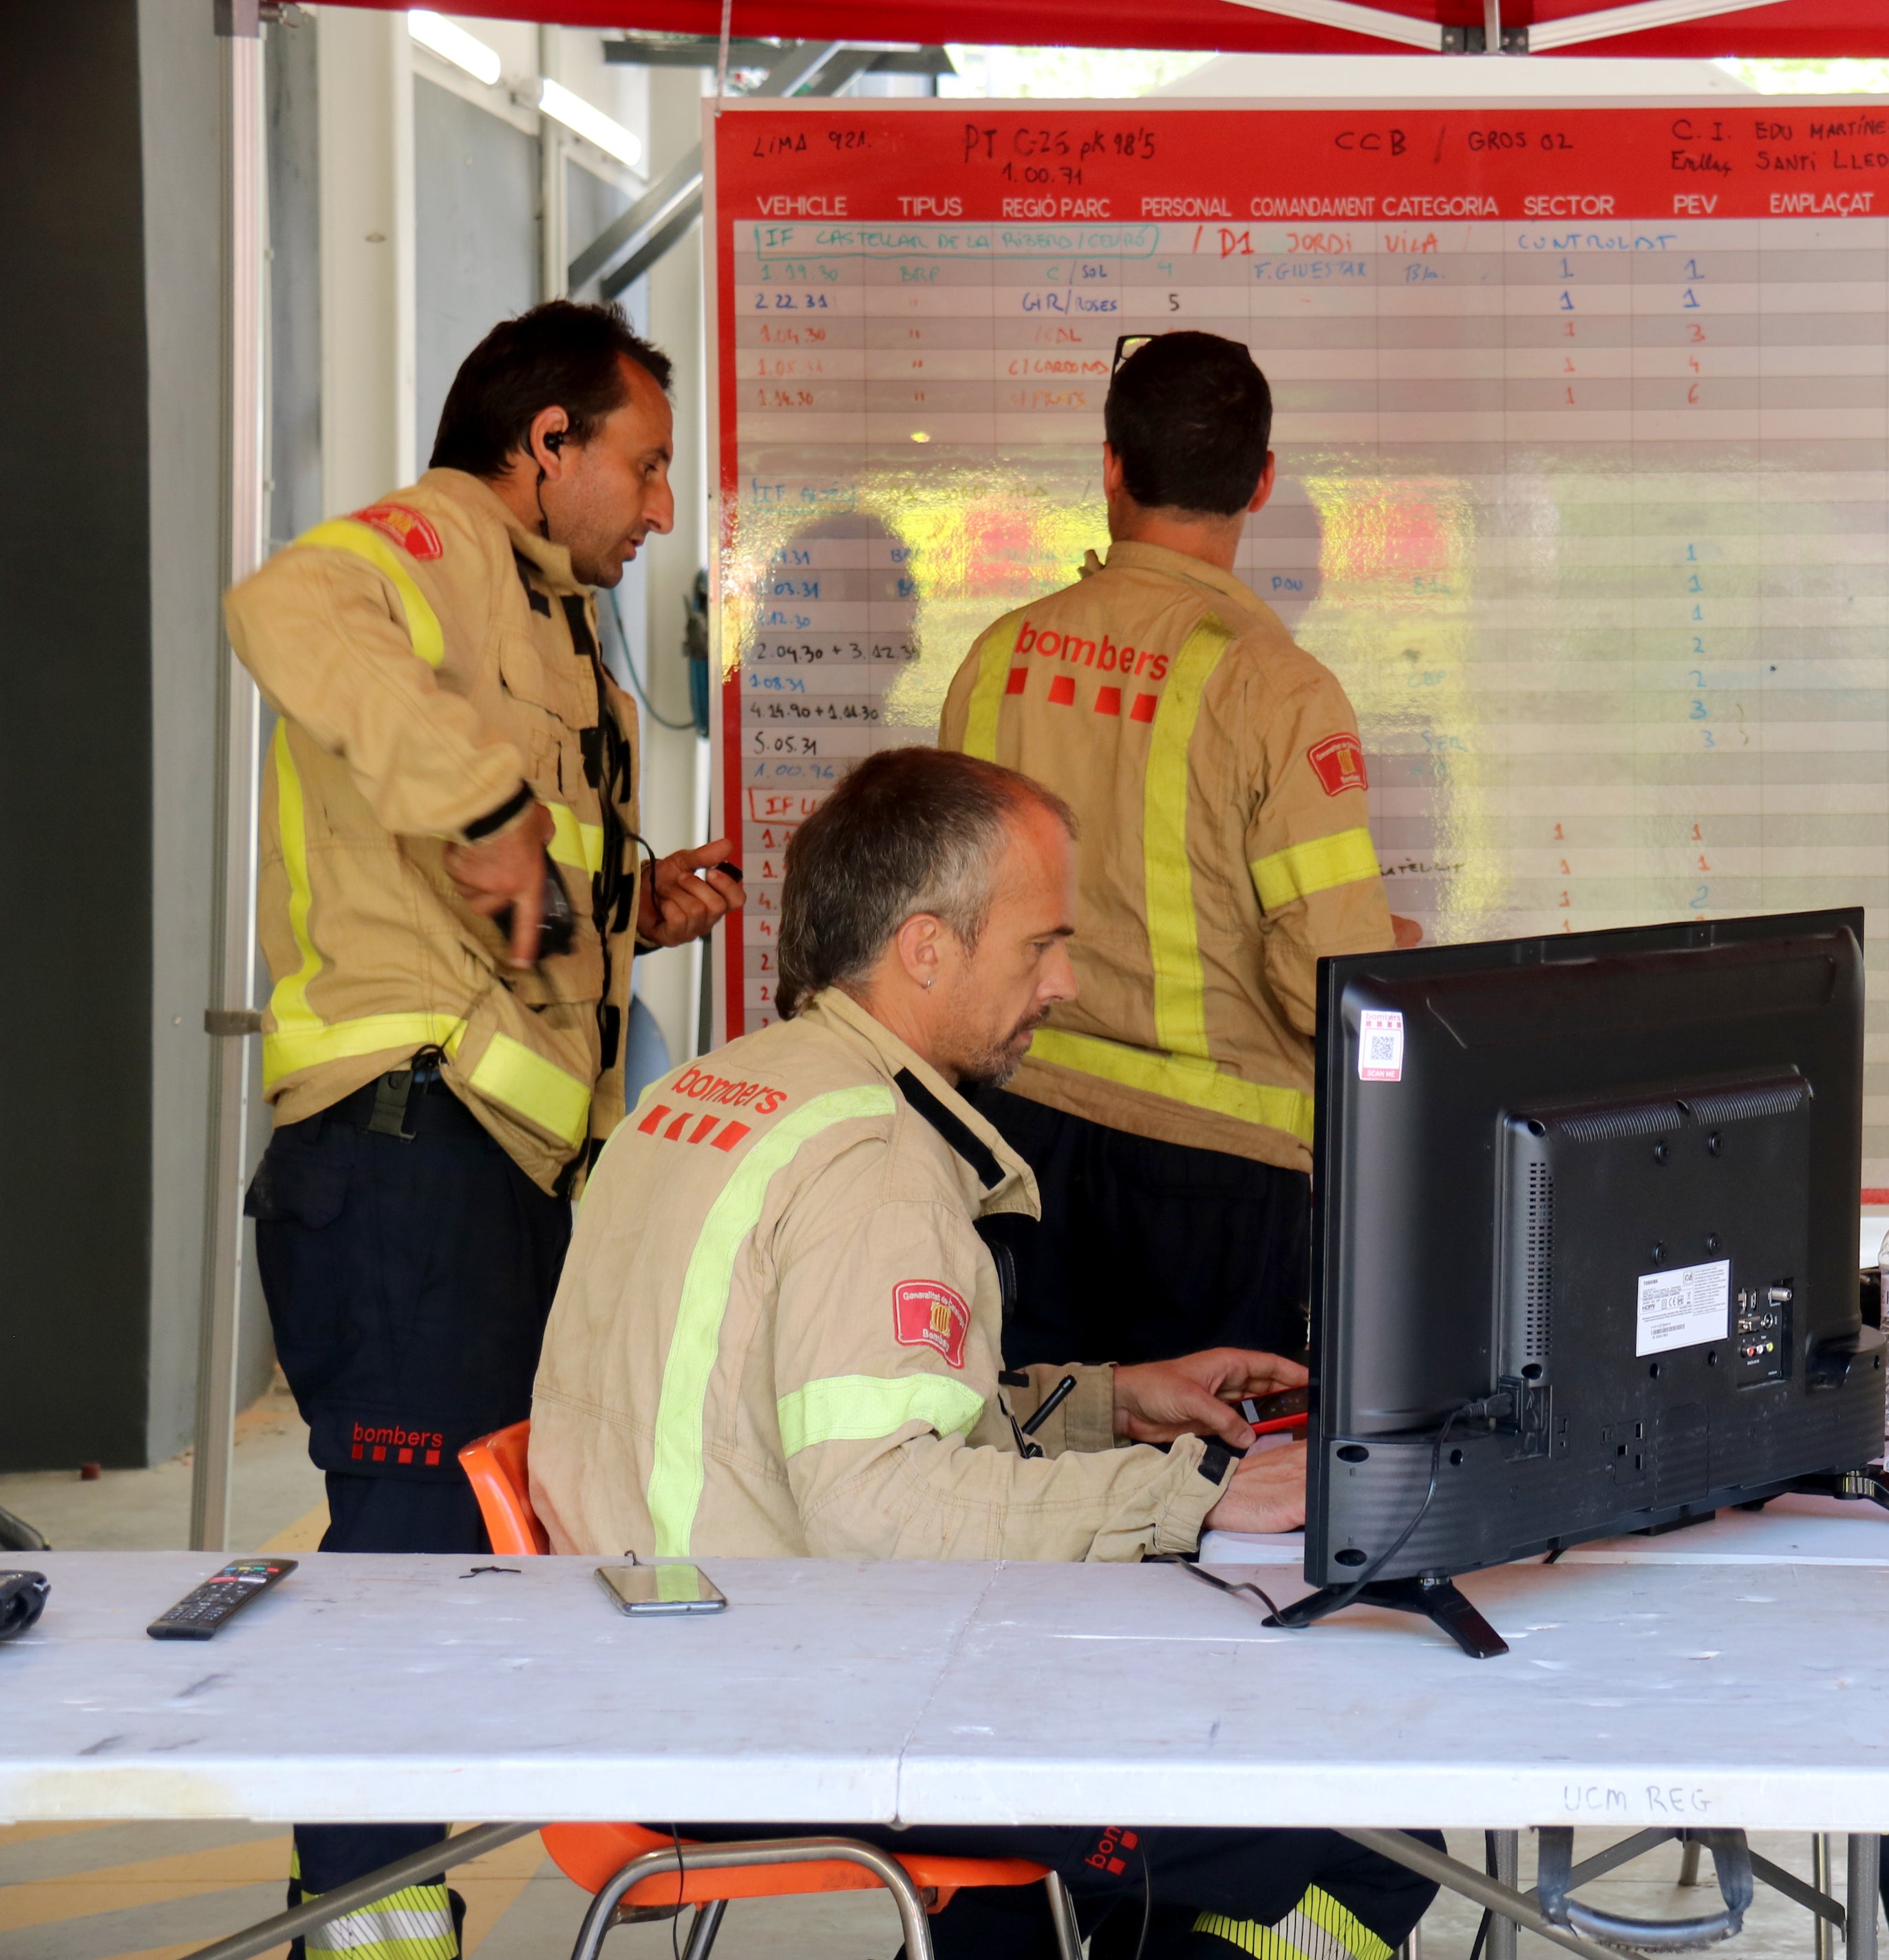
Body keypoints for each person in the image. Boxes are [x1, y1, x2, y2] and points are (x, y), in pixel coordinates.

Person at [529, 745, 1437, 1960]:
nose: (1065, 983)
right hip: (780, 1697)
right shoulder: (876, 1165)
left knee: (1184, 1762)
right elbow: (881, 1509)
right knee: (1367, 1810)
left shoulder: (723, 1088)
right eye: (1040, 945)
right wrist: (1198, 1489)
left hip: (657, 1649)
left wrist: (1110, 1404)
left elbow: (790, 1413)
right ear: (925, 947)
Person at [223, 299, 738, 1960]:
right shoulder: (436, 541)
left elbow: (509, 902)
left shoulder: (546, 616)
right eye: (643, 466)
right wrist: (492, 802)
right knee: (408, 1550)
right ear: (545, 442)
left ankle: (393, 1903)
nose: (659, 507)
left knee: (468, 1546)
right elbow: (281, 604)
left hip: (494, 1163)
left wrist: (632, 898)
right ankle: (368, 1921)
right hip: (403, 1153)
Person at [936, 330, 1402, 1370]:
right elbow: (1326, 979)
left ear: (1111, 465)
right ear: (1261, 480)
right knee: (1212, 1464)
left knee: (1032, 1438)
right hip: (1216, 1177)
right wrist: (1382, 953)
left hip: (1017, 1135)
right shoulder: (1278, 689)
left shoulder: (999, 656)